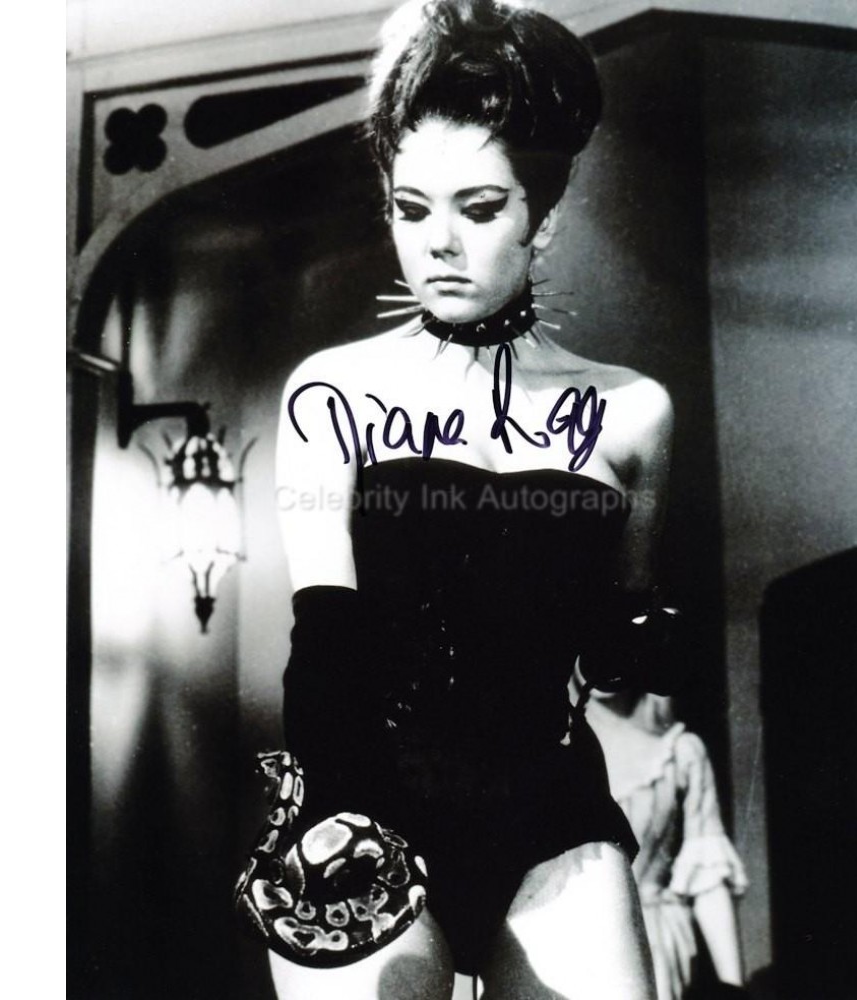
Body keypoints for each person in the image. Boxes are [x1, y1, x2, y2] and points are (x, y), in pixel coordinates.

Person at [252, 1, 679, 996]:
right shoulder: (332, 392)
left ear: (544, 215)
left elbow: (621, 656)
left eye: (479, 210)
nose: (437, 243)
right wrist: (335, 832)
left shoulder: (634, 413)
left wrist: (637, 632)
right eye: (411, 210)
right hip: (363, 804)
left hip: (549, 809)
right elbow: (325, 642)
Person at [580, 686, 749, 1000]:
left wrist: (734, 989)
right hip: (577, 941)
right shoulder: (557, 751)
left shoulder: (680, 750)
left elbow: (708, 876)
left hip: (654, 943)